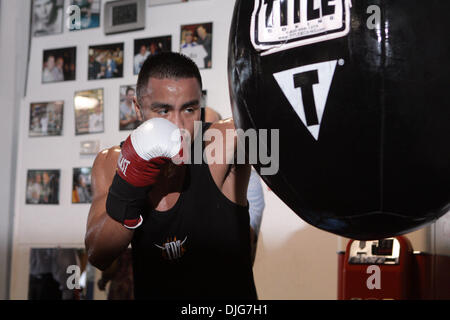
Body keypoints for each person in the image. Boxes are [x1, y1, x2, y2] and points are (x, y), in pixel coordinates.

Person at [85, 52, 257, 299]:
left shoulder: (222, 143)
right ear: (137, 108)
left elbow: (279, 138)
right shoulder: (111, 161)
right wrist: (130, 184)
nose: (178, 125)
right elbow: (97, 254)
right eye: (163, 110)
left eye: (189, 109)